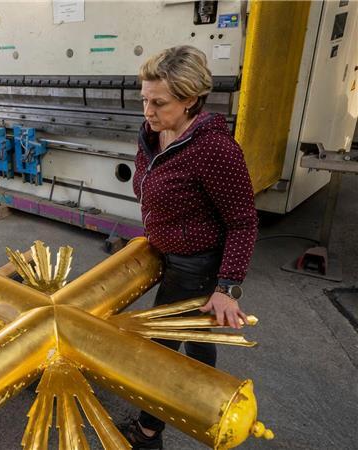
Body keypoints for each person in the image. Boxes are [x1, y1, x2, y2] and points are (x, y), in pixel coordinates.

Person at [118, 45, 258, 449]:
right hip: (170, 251)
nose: (148, 110)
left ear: (191, 100)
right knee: (198, 339)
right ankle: (209, 410)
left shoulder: (214, 150)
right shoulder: (153, 133)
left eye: (159, 103)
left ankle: (147, 433)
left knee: (160, 350)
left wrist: (227, 287)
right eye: (144, 99)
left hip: (196, 264)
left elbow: (243, 221)